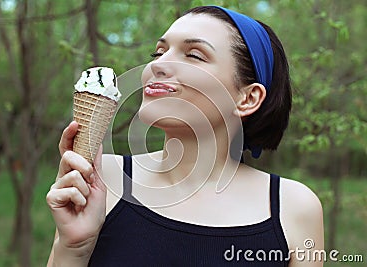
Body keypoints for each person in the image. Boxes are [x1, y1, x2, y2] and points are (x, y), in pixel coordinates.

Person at [46, 5, 324, 267]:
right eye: (158, 53)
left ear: (247, 98)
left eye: (194, 55)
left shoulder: (293, 207)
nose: (159, 65)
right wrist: (72, 248)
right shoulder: (99, 180)